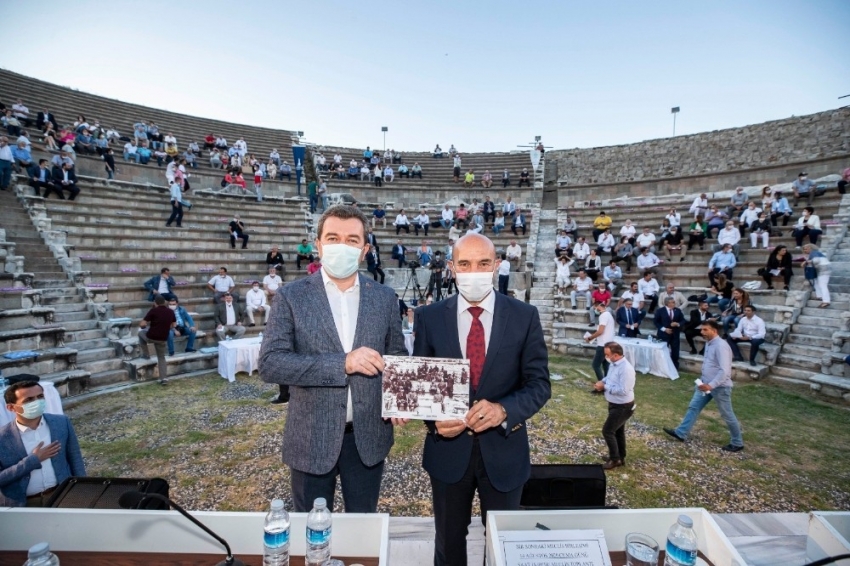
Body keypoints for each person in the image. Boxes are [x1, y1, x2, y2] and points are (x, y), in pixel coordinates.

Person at [411, 232, 550, 566]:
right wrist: (433, 421)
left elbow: (539, 384)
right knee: (448, 544)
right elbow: (421, 385)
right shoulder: (429, 318)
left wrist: (504, 409)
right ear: (451, 268)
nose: (474, 270)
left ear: (496, 266)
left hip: (505, 454)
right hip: (447, 454)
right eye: (465, 263)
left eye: (483, 263)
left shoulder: (524, 316)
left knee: (502, 547)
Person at [259, 205, 407, 513]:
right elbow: (271, 362)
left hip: (368, 437)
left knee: (363, 529)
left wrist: (400, 398)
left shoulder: (384, 297)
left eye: (352, 240)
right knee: (310, 533)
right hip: (311, 436)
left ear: (365, 249)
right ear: (318, 245)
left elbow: (397, 356)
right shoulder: (291, 296)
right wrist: (342, 363)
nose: (342, 245)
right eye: (333, 237)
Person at [0, 378, 87, 507]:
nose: (37, 402)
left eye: (40, 396)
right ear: (11, 407)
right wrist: (33, 460)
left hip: (62, 496)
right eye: (29, 400)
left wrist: (84, 489)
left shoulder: (61, 423)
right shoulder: (3, 437)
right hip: (24, 505)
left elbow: (75, 458)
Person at [664, 319, 744, 452]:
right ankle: (681, 432)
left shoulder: (721, 346)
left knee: (727, 415)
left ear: (714, 331)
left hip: (719, 387)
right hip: (705, 384)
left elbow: (724, 371)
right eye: (701, 329)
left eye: (705, 330)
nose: (702, 332)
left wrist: (711, 385)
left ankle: (737, 442)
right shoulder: (709, 344)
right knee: (693, 407)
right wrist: (704, 381)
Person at [592, 342, 635, 470]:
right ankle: (620, 456)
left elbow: (623, 390)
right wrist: (602, 382)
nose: (606, 357)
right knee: (618, 431)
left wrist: (604, 387)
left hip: (623, 406)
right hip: (615, 404)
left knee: (608, 431)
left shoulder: (626, 369)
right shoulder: (614, 364)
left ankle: (615, 459)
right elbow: (609, 378)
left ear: (616, 355)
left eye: (607, 355)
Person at [138, 296, 176, 384]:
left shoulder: (153, 311)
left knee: (140, 333)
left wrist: (143, 326)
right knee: (161, 357)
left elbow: (142, 323)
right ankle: (164, 379)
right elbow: (174, 324)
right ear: (164, 302)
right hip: (162, 338)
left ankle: (146, 354)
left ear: (155, 303)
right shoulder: (170, 312)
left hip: (151, 337)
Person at [585, 300, 616, 384]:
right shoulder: (609, 315)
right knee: (606, 365)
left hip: (603, 345)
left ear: (598, 306)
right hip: (609, 343)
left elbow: (600, 331)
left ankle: (601, 383)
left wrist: (590, 338)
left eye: (595, 308)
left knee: (595, 365)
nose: (595, 310)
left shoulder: (603, 316)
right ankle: (607, 382)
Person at [654, 297, 685, 369]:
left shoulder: (678, 310)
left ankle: (675, 367)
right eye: (673, 302)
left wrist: (677, 324)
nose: (674, 303)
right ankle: (662, 366)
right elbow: (656, 322)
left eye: (674, 302)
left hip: (675, 334)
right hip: (663, 334)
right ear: (667, 303)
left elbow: (683, 320)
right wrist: (664, 329)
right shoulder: (660, 311)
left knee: (675, 351)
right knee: (663, 351)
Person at [803, 243, 831, 308]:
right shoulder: (815, 253)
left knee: (822, 285)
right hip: (822, 270)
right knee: (817, 283)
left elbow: (816, 261)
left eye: (806, 249)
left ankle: (826, 301)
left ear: (810, 248)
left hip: (824, 270)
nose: (805, 251)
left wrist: (806, 262)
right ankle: (820, 296)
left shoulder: (814, 253)